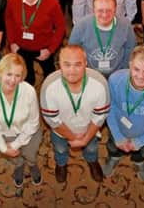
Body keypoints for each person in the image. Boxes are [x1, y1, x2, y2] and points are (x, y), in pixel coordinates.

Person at [40, 45, 110, 183]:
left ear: (86, 64)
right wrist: (73, 138)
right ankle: (61, 164)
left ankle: (92, 161)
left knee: (91, 148)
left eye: (78, 64)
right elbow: (53, 120)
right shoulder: (49, 87)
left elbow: (100, 116)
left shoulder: (100, 83)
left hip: (89, 129)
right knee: (60, 149)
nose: (72, 71)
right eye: (67, 64)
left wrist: (85, 139)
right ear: (59, 64)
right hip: (61, 130)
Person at [102, 45, 144, 179]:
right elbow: (110, 108)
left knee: (143, 151)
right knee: (112, 146)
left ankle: (138, 160)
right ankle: (114, 157)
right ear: (130, 65)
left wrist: (140, 142)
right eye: (136, 69)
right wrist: (117, 136)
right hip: (118, 128)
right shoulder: (115, 80)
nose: (140, 76)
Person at [0, 54, 43, 187]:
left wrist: (16, 144)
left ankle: (32, 165)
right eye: (9, 74)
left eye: (17, 75)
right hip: (4, 134)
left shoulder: (29, 91)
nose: (13, 80)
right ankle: (19, 166)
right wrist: (3, 146)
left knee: (30, 154)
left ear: (22, 76)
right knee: (15, 158)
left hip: (29, 133)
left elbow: (34, 123)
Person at [5, 0, 65, 85]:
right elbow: (8, 19)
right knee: (27, 78)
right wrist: (12, 42)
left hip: (43, 47)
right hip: (20, 46)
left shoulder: (52, 3)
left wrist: (50, 50)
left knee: (50, 77)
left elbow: (61, 28)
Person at [68, 0, 137, 77]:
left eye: (109, 10)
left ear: (115, 8)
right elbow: (73, 52)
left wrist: (121, 73)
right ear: (93, 9)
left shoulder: (126, 26)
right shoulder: (81, 26)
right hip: (89, 75)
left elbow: (130, 50)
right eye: (100, 10)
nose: (104, 15)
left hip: (117, 74)